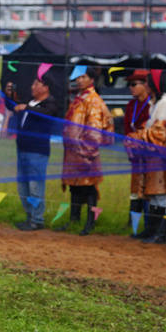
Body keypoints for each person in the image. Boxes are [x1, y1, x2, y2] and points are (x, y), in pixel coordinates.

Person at [57, 67, 113, 235]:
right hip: (74, 152)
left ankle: (90, 223)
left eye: (84, 77)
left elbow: (95, 131)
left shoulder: (93, 101)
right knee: (75, 186)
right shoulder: (79, 98)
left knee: (89, 188)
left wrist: (84, 150)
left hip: (86, 153)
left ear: (92, 80)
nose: (80, 80)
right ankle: (74, 220)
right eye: (78, 77)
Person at [4, 74, 60, 231]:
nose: (32, 87)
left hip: (37, 152)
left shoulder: (50, 103)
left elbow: (47, 113)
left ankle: (37, 219)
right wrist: (9, 95)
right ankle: (30, 217)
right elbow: (13, 107)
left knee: (36, 186)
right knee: (23, 187)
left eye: (36, 84)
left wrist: (26, 108)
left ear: (45, 87)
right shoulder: (30, 101)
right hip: (22, 149)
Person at [122, 70, 155, 237]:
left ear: (145, 86)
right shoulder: (130, 105)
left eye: (134, 84)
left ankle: (151, 226)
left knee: (150, 190)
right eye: (130, 84)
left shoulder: (152, 106)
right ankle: (133, 225)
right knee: (136, 190)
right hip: (135, 155)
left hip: (150, 156)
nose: (131, 87)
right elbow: (128, 128)